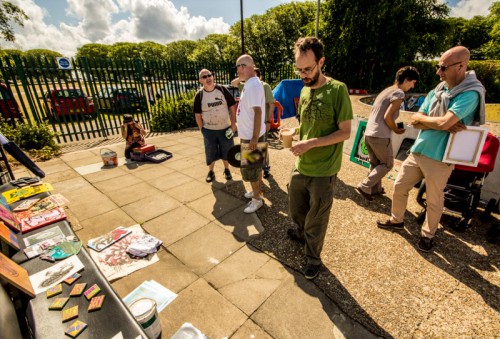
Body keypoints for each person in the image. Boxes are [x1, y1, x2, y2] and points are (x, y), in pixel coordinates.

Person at [377, 46, 486, 252]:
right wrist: (440, 122)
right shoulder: (438, 90)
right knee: (400, 186)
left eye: (443, 67)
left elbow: (432, 120)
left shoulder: (470, 93)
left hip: (440, 157)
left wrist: (432, 121)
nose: (438, 72)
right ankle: (397, 220)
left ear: (461, 66)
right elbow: (416, 119)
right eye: (438, 66)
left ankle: (428, 235)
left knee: (434, 199)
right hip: (419, 150)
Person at [280, 37, 353, 279]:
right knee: (296, 207)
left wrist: (310, 143)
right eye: (298, 69)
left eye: (308, 69)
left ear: (321, 62)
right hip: (302, 164)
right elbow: (309, 126)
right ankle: (301, 233)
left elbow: (345, 132)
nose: (303, 74)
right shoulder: (303, 89)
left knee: (317, 218)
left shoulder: (338, 90)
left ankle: (313, 258)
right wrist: (295, 133)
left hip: (324, 169)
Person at [356, 66, 420, 201]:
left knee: (375, 163)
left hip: (369, 132)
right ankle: (365, 185)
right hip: (380, 135)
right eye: (413, 82)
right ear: (407, 79)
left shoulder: (386, 91)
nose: (413, 86)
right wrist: (396, 129)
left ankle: (375, 189)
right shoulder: (399, 93)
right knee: (387, 164)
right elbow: (387, 117)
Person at [235, 55, 266, 213]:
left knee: (252, 169)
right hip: (249, 134)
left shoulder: (253, 85)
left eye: (238, 67)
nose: (237, 71)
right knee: (255, 167)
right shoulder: (251, 83)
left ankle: (256, 199)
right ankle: (256, 193)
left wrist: (254, 137)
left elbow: (258, 112)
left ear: (244, 67)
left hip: (251, 136)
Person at [193, 69, 237, 182]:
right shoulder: (199, 95)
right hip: (209, 130)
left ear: (212, 77)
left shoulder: (222, 89)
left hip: (225, 128)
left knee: (227, 151)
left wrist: (233, 124)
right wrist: (202, 129)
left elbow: (232, 106)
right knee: (210, 152)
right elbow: (197, 114)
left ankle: (227, 170)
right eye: (204, 77)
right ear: (200, 80)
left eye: (209, 75)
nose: (208, 78)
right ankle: (211, 172)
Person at [231, 68, 275, 179]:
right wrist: (243, 76)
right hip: (248, 126)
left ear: (258, 76)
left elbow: (271, 105)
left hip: (261, 124)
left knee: (261, 148)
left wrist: (268, 121)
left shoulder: (264, 86)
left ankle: (265, 169)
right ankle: (257, 178)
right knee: (253, 153)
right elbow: (233, 83)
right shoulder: (246, 86)